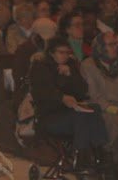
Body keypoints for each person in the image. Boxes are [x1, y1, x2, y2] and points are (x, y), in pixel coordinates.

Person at [29, 36, 109, 173]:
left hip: (70, 110)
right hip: (49, 115)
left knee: (94, 109)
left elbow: (83, 90)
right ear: (52, 53)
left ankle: (100, 152)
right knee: (80, 117)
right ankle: (81, 157)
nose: (65, 56)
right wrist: (62, 96)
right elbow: (42, 94)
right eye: (62, 52)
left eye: (68, 52)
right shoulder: (40, 66)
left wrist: (70, 74)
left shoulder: (71, 64)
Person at [80, 30, 118, 152]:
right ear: (100, 48)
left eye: (116, 44)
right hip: (101, 109)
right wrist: (117, 111)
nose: (115, 48)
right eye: (110, 45)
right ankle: (111, 157)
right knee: (117, 123)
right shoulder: (89, 66)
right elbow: (94, 96)